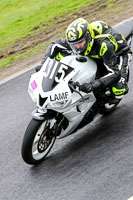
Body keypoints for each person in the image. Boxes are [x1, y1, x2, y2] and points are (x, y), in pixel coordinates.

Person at [37, 18, 132, 98]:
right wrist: (44, 65)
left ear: (89, 37)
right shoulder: (75, 38)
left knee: (119, 90)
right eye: (74, 44)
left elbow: (114, 73)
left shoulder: (104, 45)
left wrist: (93, 85)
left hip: (119, 53)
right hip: (96, 53)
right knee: (60, 55)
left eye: (80, 43)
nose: (77, 47)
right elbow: (55, 45)